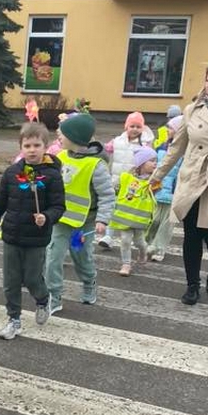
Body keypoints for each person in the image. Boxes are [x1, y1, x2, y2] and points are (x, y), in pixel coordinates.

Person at [0, 123, 65, 339]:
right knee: (11, 281)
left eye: (37, 145)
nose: (32, 150)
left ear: (45, 147)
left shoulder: (52, 175)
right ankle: (14, 319)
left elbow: (58, 206)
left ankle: (43, 299)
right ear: (21, 147)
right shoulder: (12, 173)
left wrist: (47, 217)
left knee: (32, 278)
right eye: (27, 145)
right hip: (12, 235)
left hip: (36, 238)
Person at [153, 61, 208, 304]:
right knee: (192, 235)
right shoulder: (192, 110)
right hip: (194, 178)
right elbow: (176, 147)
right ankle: (192, 285)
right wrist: (157, 176)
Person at [45, 112, 115, 314]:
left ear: (75, 138)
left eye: (63, 133)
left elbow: (107, 195)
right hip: (60, 220)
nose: (59, 137)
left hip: (83, 224)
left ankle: (88, 281)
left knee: (81, 257)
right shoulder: (60, 157)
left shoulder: (96, 165)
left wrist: (102, 219)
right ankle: (53, 295)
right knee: (53, 257)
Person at [98, 112, 155, 250]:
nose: (135, 129)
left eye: (138, 127)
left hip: (133, 184)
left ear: (143, 128)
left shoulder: (145, 144)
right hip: (116, 180)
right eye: (132, 126)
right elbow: (106, 149)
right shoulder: (118, 141)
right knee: (113, 207)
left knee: (127, 210)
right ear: (126, 127)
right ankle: (108, 236)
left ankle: (137, 236)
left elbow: (150, 160)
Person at [108, 146, 158, 276]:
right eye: (152, 160)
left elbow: (155, 192)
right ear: (141, 163)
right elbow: (116, 189)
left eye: (156, 161)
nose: (155, 163)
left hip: (140, 219)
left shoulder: (153, 181)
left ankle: (143, 253)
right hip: (124, 217)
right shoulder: (126, 177)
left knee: (139, 242)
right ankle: (126, 264)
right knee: (125, 240)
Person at [147, 115, 184, 262]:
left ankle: (160, 248)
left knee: (166, 225)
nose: (168, 130)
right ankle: (149, 243)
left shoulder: (186, 151)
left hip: (174, 193)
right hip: (158, 190)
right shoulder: (162, 147)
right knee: (153, 221)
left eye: (171, 128)